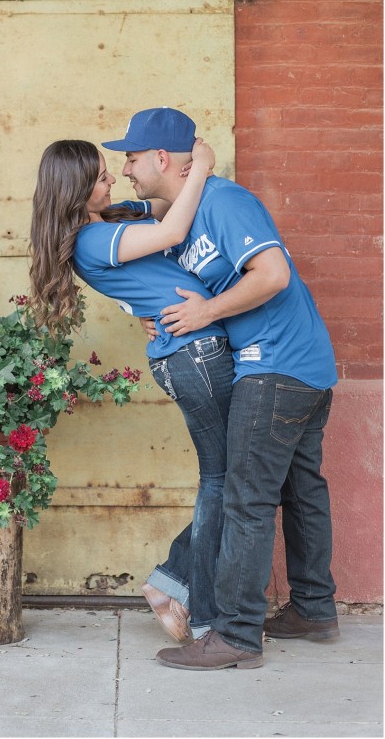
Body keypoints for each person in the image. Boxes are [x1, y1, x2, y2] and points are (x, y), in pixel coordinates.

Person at [102, 107, 338, 670]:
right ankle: (313, 608)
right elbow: (133, 212)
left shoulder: (225, 203)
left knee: (245, 498)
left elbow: (273, 274)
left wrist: (207, 310)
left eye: (132, 158)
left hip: (275, 366)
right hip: (300, 364)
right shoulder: (182, 210)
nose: (127, 169)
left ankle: (235, 635)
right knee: (299, 488)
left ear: (163, 158)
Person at [29, 133, 234, 642]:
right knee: (226, 480)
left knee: (232, 479)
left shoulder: (110, 219)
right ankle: (196, 603)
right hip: (195, 356)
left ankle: (172, 582)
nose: (113, 178)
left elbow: (159, 204)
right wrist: (202, 165)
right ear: (76, 190)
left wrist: (138, 309)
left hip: (191, 351)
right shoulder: (93, 238)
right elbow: (172, 229)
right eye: (100, 177)